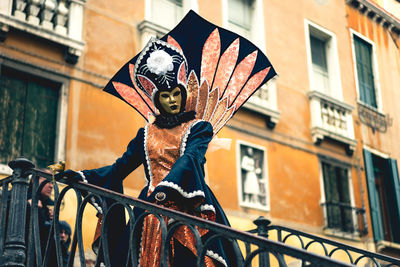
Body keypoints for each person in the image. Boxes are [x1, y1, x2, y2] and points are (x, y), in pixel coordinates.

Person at [62, 10, 276, 267]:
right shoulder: (145, 134)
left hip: (190, 207)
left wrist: (168, 186)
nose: (173, 100)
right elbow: (119, 168)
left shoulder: (199, 128)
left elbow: (191, 158)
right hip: (149, 211)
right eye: (165, 96)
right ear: (157, 100)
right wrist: (83, 177)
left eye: (176, 93)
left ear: (183, 92)